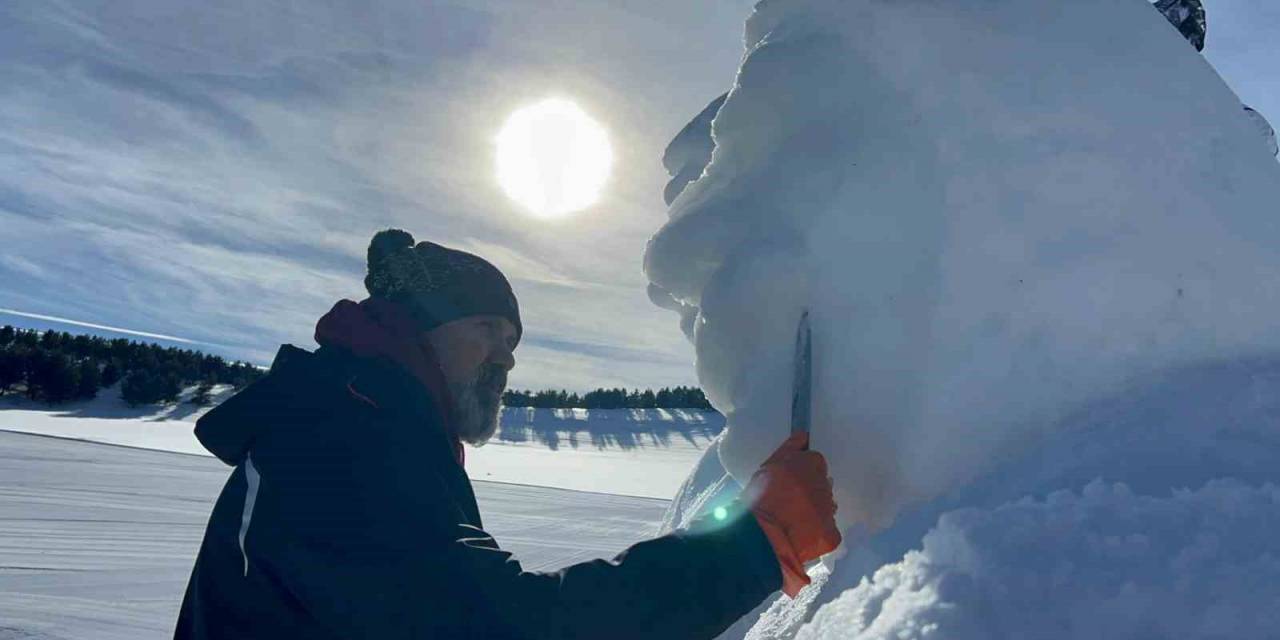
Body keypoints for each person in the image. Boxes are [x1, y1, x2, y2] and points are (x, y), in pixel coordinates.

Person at [174, 229, 840, 639]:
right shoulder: (340, 438)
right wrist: (757, 543)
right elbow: (497, 627)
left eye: (513, 339)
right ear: (415, 329)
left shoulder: (368, 427)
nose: (507, 357)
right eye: (486, 329)